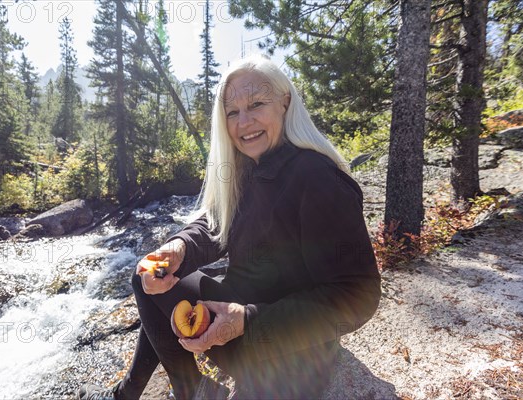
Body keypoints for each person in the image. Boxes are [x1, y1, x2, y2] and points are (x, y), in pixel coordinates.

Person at [78, 55, 381, 400]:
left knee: (152, 285)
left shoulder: (317, 178)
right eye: (232, 112)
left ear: (285, 102)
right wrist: (179, 247)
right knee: (151, 276)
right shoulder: (249, 166)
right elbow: (217, 223)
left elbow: (359, 296)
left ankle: (163, 392)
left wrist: (247, 320)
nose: (244, 122)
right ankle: (147, 391)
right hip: (237, 318)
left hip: (287, 345)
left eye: (256, 104)